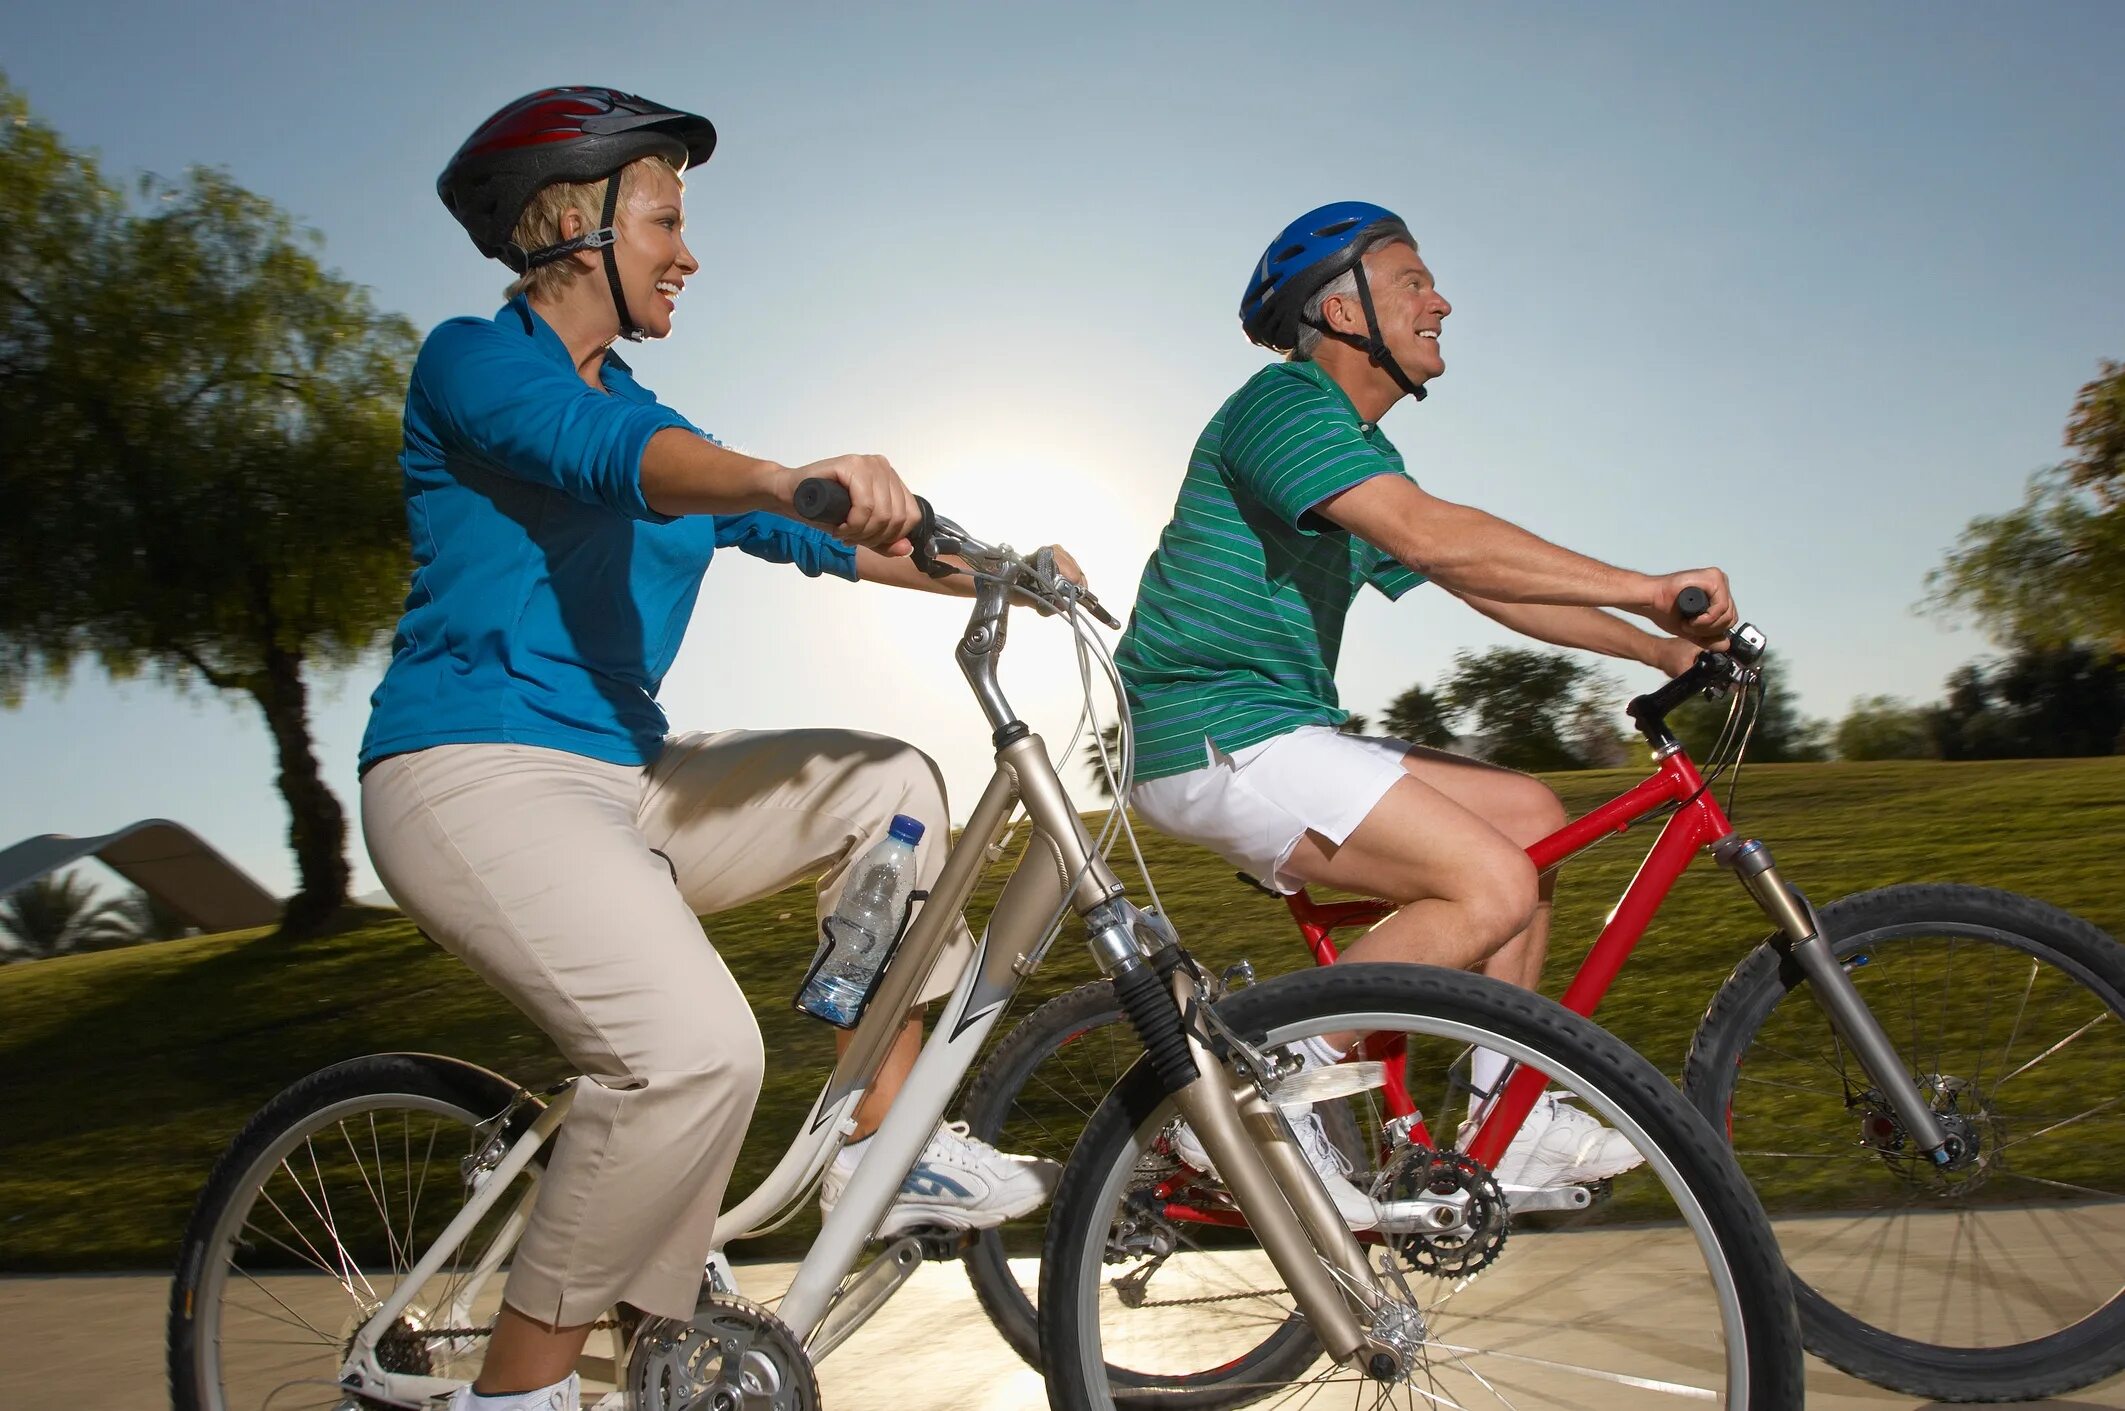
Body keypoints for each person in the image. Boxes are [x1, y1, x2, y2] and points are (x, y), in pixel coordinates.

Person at [359, 87, 1065, 1411]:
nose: (689, 251)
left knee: (894, 786)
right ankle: (514, 1394)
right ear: (572, 224)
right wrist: (766, 472)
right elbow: (605, 452)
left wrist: (999, 566)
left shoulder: (656, 416)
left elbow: (813, 532)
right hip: (469, 772)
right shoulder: (475, 361)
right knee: (695, 1051)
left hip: (627, 779)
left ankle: (876, 1131)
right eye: (665, 219)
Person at [1113, 201, 1739, 1224]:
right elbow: (1436, 538)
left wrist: (1658, 643)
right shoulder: (1284, 408)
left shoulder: (1346, 449)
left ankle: (1513, 1115)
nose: (1439, 300)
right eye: (1411, 280)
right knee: (1489, 883)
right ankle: (1251, 1104)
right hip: (1211, 731)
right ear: (1338, 309)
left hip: (1278, 729)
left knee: (1530, 819)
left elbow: (1481, 583)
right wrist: (1645, 583)